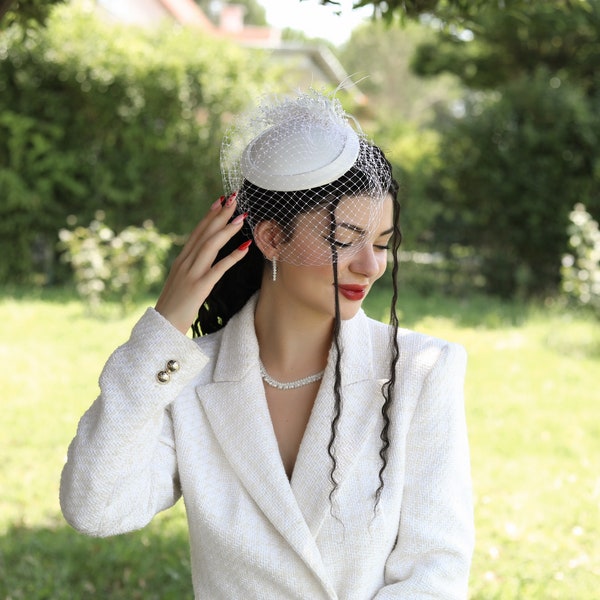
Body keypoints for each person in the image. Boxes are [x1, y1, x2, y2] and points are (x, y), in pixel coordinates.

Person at [60, 89, 474, 599]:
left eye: (383, 243)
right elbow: (95, 507)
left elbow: (436, 573)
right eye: (345, 239)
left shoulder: (421, 370)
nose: (371, 265)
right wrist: (164, 328)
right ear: (271, 238)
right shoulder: (185, 377)